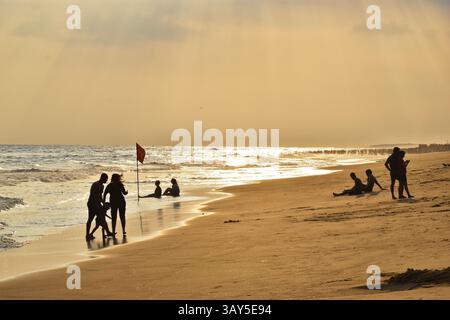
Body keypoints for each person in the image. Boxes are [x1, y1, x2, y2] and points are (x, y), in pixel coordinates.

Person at [86, 173, 114, 240]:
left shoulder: (102, 186)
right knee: (90, 219)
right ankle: (87, 235)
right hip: (92, 204)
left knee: (102, 218)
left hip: (97, 204)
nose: (106, 180)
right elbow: (93, 195)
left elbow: (100, 197)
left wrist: (103, 203)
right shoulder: (95, 184)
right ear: (102, 178)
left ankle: (107, 232)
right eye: (106, 179)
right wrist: (98, 204)